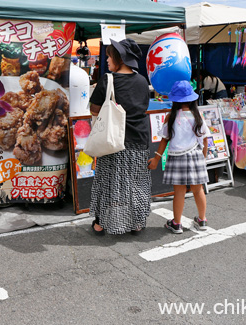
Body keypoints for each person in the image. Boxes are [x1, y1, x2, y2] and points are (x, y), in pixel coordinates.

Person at [89, 38, 151, 235]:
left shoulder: (108, 80)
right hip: (139, 139)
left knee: (109, 182)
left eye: (109, 56)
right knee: (136, 183)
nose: (107, 60)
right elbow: (143, 107)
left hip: (113, 140)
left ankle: (101, 223)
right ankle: (137, 223)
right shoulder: (142, 81)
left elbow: (94, 109)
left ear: (120, 58)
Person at [148, 80, 209, 233]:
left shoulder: (171, 117)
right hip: (195, 155)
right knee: (198, 189)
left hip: (177, 157)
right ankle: (202, 220)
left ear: (174, 100)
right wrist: (204, 155)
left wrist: (156, 158)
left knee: (179, 192)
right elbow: (205, 138)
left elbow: (164, 140)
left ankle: (177, 223)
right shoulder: (198, 116)